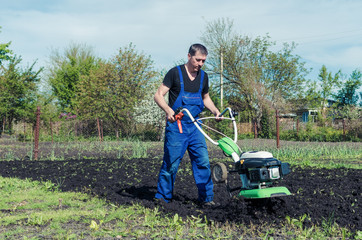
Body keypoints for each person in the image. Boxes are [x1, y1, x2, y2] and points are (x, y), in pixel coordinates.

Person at [154, 43, 221, 206]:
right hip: (177, 126)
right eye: (198, 60)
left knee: (203, 162)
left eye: (203, 61)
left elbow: (206, 98)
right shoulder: (175, 73)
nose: (200, 64)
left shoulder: (203, 77)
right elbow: (158, 95)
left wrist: (215, 111)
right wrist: (168, 110)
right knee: (171, 162)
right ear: (189, 56)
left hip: (195, 126)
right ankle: (163, 198)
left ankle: (206, 199)